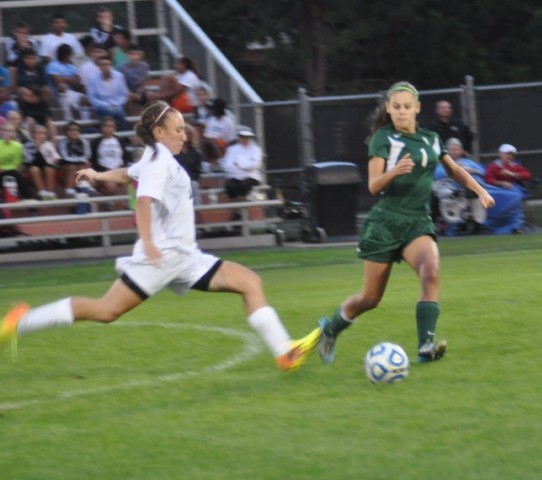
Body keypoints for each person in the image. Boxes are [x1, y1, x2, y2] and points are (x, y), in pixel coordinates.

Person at [0, 101, 320, 371]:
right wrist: (149, 242)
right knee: (105, 311)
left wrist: (98, 174)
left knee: (249, 282)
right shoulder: (159, 163)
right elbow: (142, 199)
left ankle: (284, 352)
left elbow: (128, 174)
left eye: (184, 129)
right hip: (164, 256)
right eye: (178, 129)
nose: (184, 134)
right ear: (159, 132)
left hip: (186, 256)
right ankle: (22, 320)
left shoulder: (155, 159)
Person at [313, 81, 495, 365]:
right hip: (385, 223)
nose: (401, 111)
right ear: (388, 108)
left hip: (417, 223)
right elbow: (374, 186)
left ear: (417, 109)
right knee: (370, 299)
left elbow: (455, 170)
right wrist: (395, 171)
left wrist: (481, 191)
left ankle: (425, 346)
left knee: (431, 273)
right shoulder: (383, 138)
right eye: (396, 106)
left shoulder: (431, 138)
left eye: (407, 107)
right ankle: (331, 328)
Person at [45, 44, 91, 121]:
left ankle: (85, 123)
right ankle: (68, 118)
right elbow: (58, 81)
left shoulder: (72, 67)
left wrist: (64, 78)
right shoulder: (52, 65)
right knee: (62, 88)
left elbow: (77, 81)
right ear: (66, 55)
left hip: (71, 93)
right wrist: (70, 79)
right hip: (56, 95)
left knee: (85, 98)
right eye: (70, 54)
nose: (71, 56)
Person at [86, 56, 130, 130]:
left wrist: (116, 104)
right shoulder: (93, 79)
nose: (105, 67)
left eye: (107, 64)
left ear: (111, 65)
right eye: (103, 65)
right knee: (116, 112)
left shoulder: (119, 76)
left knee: (117, 111)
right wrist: (107, 105)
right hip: (102, 106)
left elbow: (124, 94)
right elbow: (91, 97)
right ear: (99, 67)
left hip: (117, 105)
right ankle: (125, 133)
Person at [221, 126, 264, 201]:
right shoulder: (232, 149)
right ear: (239, 137)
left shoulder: (256, 149)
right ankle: (236, 211)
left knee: (244, 186)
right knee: (230, 187)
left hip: (251, 176)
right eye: (243, 137)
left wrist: (239, 164)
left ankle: (244, 209)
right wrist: (242, 167)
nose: (245, 139)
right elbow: (227, 165)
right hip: (234, 176)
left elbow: (255, 165)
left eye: (247, 137)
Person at [90, 117, 129, 197]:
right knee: (112, 187)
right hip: (103, 172)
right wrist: (104, 169)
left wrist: (121, 167)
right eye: (106, 126)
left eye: (111, 126)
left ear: (115, 128)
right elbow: (93, 160)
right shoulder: (96, 142)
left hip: (119, 170)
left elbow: (125, 157)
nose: (108, 128)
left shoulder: (119, 141)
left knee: (127, 186)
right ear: (101, 128)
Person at [22, 124, 61, 200]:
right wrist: (37, 149)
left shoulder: (49, 144)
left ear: (46, 135)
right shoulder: (27, 145)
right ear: (33, 134)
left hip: (48, 167)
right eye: (38, 133)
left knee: (49, 168)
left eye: (43, 133)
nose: (40, 135)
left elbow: (56, 158)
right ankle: (42, 192)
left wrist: (50, 160)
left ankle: (51, 193)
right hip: (33, 167)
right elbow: (28, 161)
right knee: (34, 169)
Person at [58, 121, 92, 197]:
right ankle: (69, 189)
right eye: (70, 130)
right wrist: (80, 161)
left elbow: (87, 155)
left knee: (85, 166)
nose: (73, 132)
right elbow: (65, 157)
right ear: (66, 132)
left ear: (79, 131)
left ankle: (85, 186)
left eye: (76, 130)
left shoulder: (84, 142)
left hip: (80, 166)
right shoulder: (62, 142)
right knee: (73, 166)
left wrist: (81, 161)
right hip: (66, 167)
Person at [0, 123, 30, 200]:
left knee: (20, 180)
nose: (8, 133)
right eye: (6, 130)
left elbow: (17, 163)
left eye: (11, 131)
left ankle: (31, 207)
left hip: (11, 171)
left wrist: (4, 168)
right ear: (1, 132)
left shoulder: (18, 146)